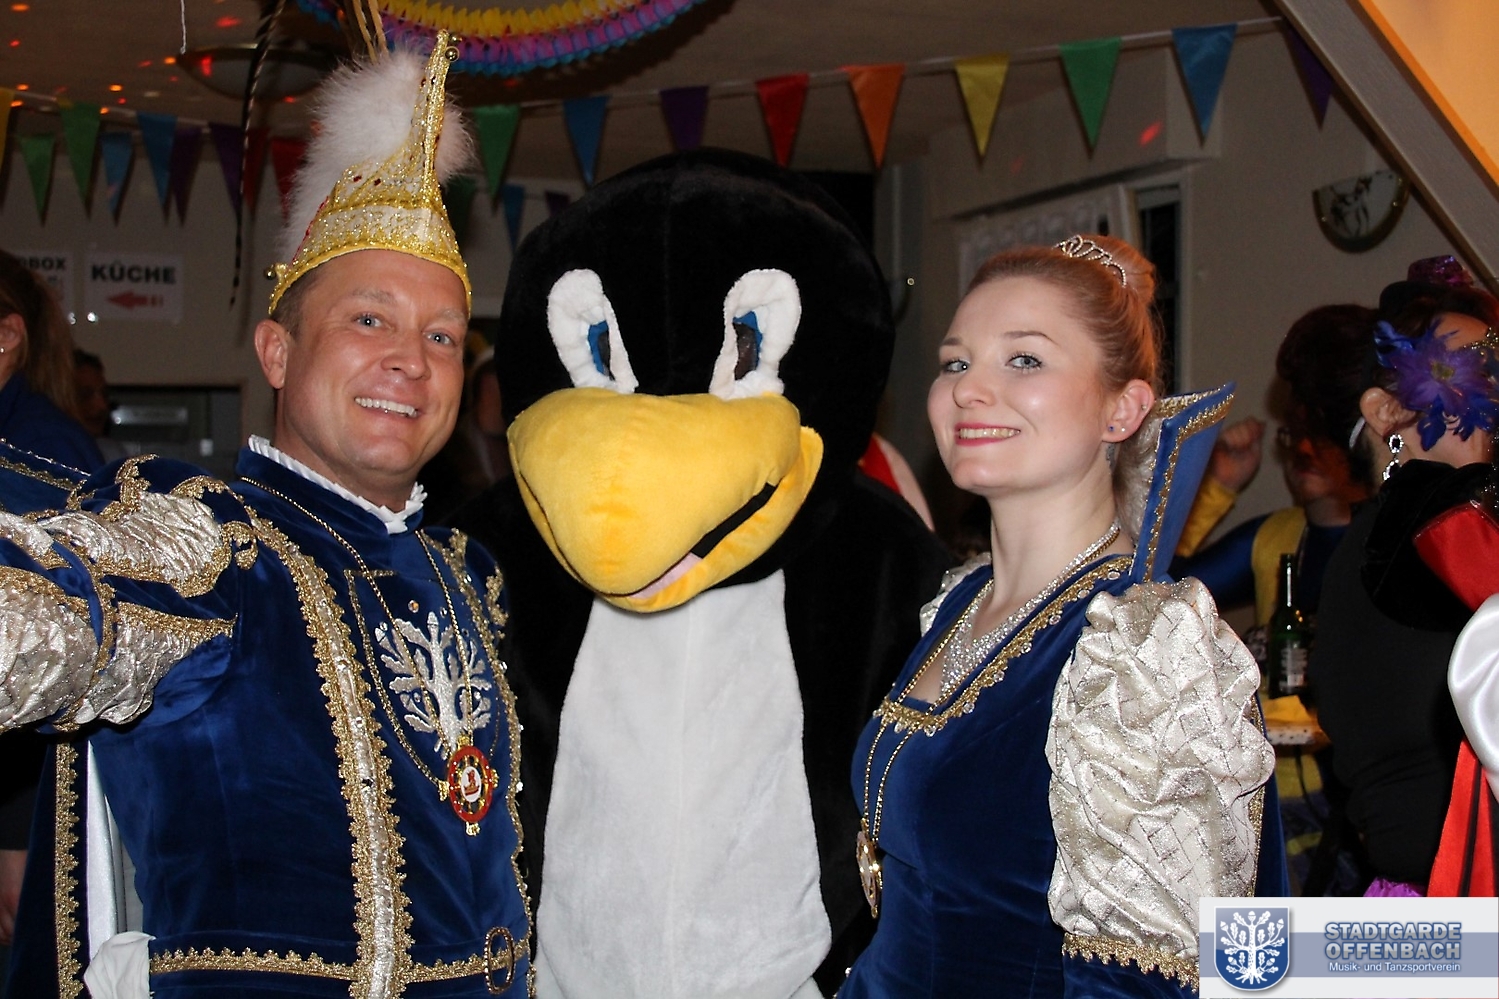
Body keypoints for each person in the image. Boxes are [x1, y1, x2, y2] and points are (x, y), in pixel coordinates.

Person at [0, 34, 532, 998]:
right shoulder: (211, 543)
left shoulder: (467, 575)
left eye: (442, 335)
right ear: (277, 352)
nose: (411, 359)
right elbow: (53, 609)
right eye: (368, 319)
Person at [841, 236, 1279, 997]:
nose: (969, 390)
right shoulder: (961, 602)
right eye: (955, 363)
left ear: (1122, 409)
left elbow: (1152, 980)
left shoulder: (1142, 653)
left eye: (1024, 359)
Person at [1311, 259, 1499, 897]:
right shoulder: (1424, 528)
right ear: (1388, 410)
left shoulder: (1388, 537)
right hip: (1454, 919)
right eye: (1472, 373)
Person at [0, 250, 104, 986]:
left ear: (6, 338)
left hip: (22, 801)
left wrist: (15, 833)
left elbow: (56, 660)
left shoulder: (42, 456)